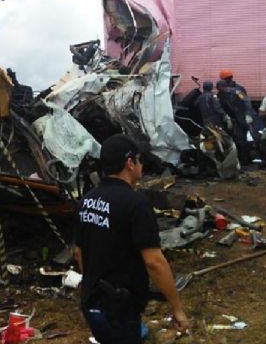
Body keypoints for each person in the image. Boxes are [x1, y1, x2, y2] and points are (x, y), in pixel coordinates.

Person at [75, 134, 189, 343]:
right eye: (140, 159)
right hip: (119, 307)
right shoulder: (135, 204)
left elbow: (79, 252)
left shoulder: (87, 200)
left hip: (92, 302)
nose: (141, 164)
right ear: (130, 163)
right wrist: (177, 308)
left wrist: (93, 286)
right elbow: (154, 262)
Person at [216, 80, 252, 165]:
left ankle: (246, 160)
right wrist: (226, 118)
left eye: (219, 88)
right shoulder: (220, 95)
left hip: (242, 118)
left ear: (224, 86)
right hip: (232, 120)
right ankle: (240, 160)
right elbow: (219, 106)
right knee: (235, 140)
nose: (218, 90)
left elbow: (246, 102)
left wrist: (248, 114)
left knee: (242, 139)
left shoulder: (236, 92)